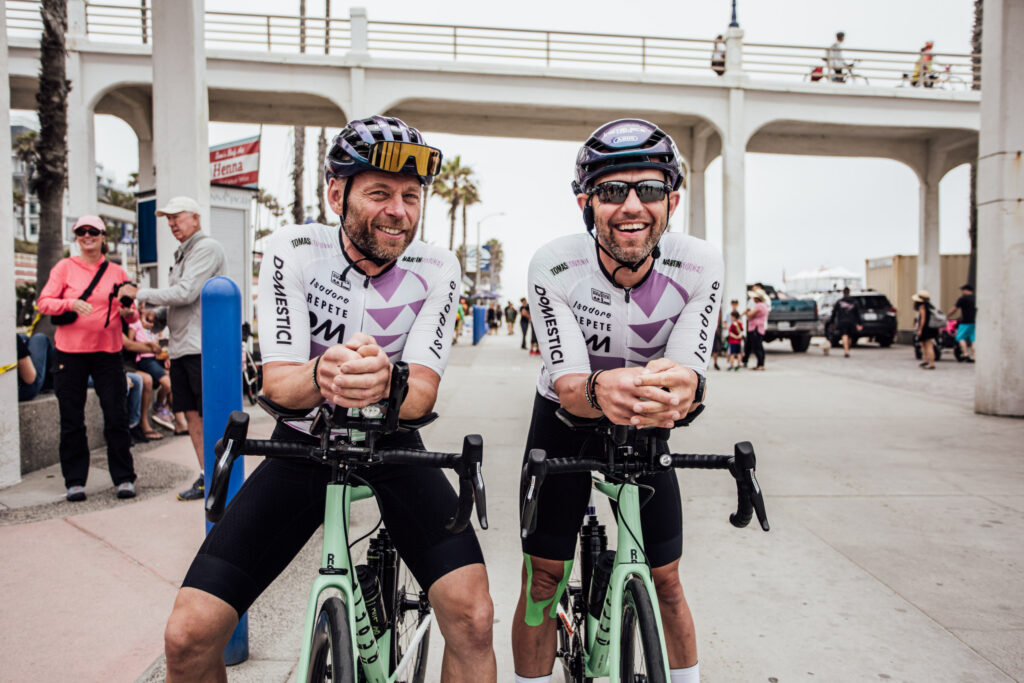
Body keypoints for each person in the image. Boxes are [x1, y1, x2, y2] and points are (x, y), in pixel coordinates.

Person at [163, 116, 496, 683]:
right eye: (380, 193)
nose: (399, 211)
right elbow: (278, 385)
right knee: (187, 637)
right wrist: (324, 373)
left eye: (411, 197)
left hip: (395, 444)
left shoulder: (437, 267)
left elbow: (421, 395)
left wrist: (387, 383)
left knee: (473, 619)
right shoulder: (294, 250)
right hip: (303, 445)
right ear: (336, 193)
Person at [513, 118, 722, 683]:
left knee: (667, 579)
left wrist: (685, 390)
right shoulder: (554, 265)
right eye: (611, 191)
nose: (632, 206)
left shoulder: (700, 263)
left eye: (649, 190)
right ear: (586, 202)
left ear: (672, 200)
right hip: (564, 420)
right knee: (542, 578)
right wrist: (603, 389)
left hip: (648, 420)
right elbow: (570, 388)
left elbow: (687, 377)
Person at [124, 196, 227, 501]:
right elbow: (183, 302)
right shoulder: (184, 253)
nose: (171, 224)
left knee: (211, 416)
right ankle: (208, 478)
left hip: (202, 348)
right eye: (168, 219)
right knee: (193, 416)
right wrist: (156, 316)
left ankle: (224, 480)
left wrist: (139, 293)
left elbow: (185, 292)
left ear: (196, 218)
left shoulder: (206, 247)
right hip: (183, 348)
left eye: (177, 217)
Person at [35, 215, 139, 501]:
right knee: (71, 417)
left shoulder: (116, 272)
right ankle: (75, 480)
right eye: (81, 231)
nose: (87, 235)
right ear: (76, 236)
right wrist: (70, 302)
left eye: (93, 231)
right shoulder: (64, 268)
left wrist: (130, 313)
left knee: (116, 416)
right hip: (70, 353)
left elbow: (132, 311)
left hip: (108, 352)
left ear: (103, 236)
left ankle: (124, 478)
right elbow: (44, 302)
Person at [16, 332, 54, 401]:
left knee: (24, 338)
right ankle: (54, 380)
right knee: (40, 338)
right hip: (20, 390)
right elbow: (30, 379)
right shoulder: (10, 338)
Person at [829, 286, 863, 358]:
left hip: (842, 321)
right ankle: (848, 349)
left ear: (843, 293)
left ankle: (846, 350)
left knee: (844, 335)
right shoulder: (854, 302)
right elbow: (857, 314)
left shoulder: (839, 302)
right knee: (850, 336)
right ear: (849, 292)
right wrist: (860, 323)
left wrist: (831, 322)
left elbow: (834, 313)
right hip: (851, 322)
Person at [948, 283, 976, 363]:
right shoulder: (976, 298)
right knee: (974, 339)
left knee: (960, 337)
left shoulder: (963, 299)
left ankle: (965, 354)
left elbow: (954, 309)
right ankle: (974, 356)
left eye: (962, 290)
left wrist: (948, 316)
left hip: (965, 321)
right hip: (974, 321)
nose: (962, 292)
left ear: (966, 290)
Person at [744, 288, 769, 371]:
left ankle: (760, 364)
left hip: (755, 328)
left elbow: (750, 315)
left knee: (756, 347)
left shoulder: (759, 305)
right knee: (759, 346)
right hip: (760, 328)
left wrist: (747, 313)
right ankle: (760, 364)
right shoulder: (764, 305)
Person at [913, 290, 937, 369]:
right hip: (931, 327)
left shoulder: (922, 306)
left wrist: (920, 329)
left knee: (928, 345)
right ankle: (925, 359)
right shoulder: (929, 306)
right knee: (923, 344)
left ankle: (931, 363)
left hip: (925, 328)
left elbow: (923, 319)